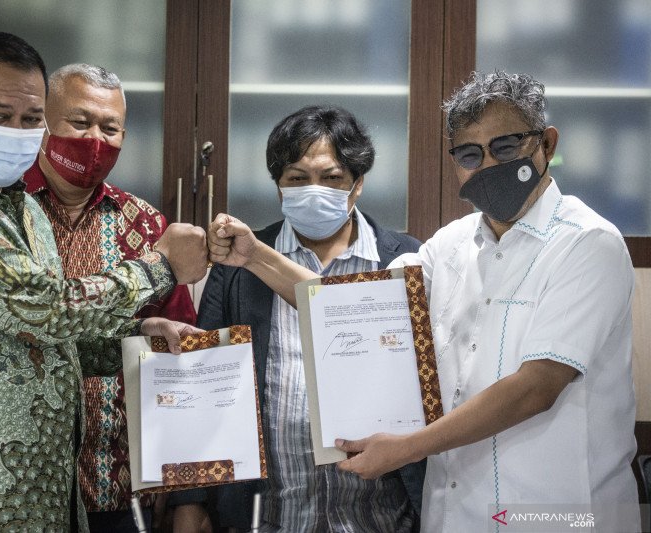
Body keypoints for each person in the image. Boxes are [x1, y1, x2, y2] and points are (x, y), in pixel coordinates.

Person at [207, 72, 639, 532]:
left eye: (506, 147)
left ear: (546, 145)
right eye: (471, 154)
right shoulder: (449, 247)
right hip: (458, 512)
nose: (489, 165)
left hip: (555, 513)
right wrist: (255, 256)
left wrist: (408, 447)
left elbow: (536, 386)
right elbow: (348, 306)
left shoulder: (587, 243)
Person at [0, 32, 207, 532]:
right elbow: (46, 308)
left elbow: (45, 338)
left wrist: (135, 339)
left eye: (31, 120)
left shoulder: (22, 207)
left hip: (42, 495)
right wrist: (159, 266)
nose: (17, 130)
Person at [181, 105, 423, 532]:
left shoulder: (403, 260)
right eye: (297, 178)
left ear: (358, 184)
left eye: (332, 178)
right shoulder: (236, 268)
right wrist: (191, 501)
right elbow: (201, 384)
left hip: (382, 517)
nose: (315, 190)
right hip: (269, 516)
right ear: (279, 188)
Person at [23, 62, 201, 532]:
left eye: (111, 127)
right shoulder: (3, 213)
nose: (95, 140)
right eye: (79, 123)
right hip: (18, 490)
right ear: (43, 121)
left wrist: (183, 492)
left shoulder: (148, 227)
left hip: (122, 488)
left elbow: (178, 363)